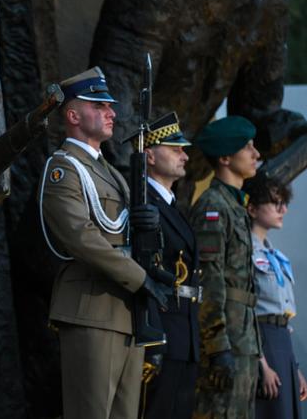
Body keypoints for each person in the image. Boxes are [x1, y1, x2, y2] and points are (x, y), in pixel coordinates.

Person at [38, 66, 169, 419]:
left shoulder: (109, 171)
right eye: (100, 105)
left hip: (124, 309)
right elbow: (82, 238)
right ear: (73, 115)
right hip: (91, 308)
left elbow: (121, 232)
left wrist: (148, 226)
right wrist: (140, 278)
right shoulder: (63, 169)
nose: (111, 112)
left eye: (110, 105)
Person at [127, 112, 200, 419]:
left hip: (184, 331)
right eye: (175, 149)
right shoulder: (142, 205)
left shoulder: (169, 205)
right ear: (149, 156)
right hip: (162, 329)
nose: (184, 155)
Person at [189, 115, 262, 419]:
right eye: (247, 147)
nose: (256, 153)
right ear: (224, 158)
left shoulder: (234, 204)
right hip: (225, 338)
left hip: (242, 337)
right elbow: (209, 279)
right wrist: (218, 347)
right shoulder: (214, 207)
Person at [243, 174, 307, 418]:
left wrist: (295, 367)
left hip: (282, 344)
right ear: (252, 208)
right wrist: (262, 364)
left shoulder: (277, 256)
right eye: (274, 203)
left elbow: (284, 318)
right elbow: (245, 311)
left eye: (284, 203)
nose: (283, 210)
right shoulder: (244, 252)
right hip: (262, 342)